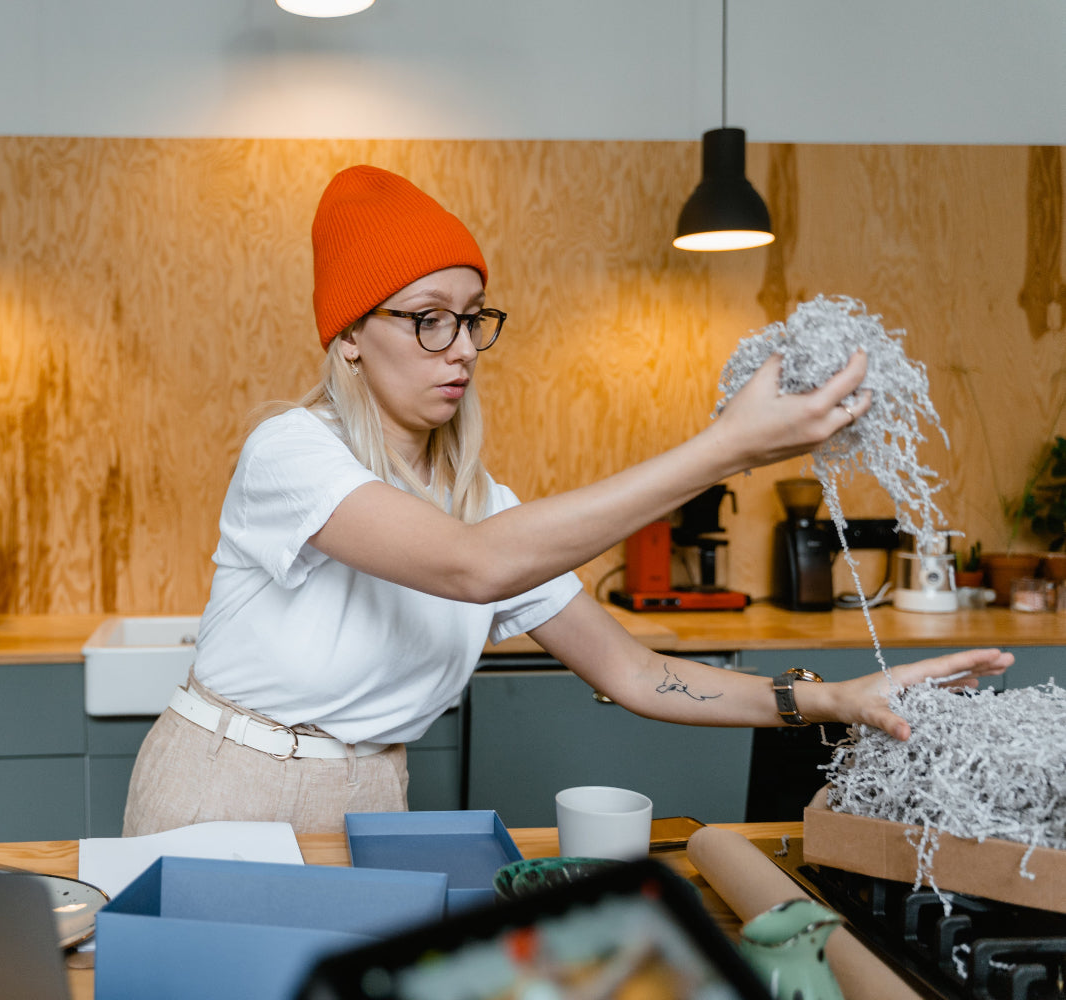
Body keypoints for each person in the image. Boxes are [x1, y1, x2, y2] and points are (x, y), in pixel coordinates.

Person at [121, 164, 1013, 836]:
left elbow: (633, 674)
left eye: (474, 316)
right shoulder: (292, 452)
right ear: (352, 335)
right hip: (225, 784)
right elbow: (471, 569)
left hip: (373, 794)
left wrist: (837, 699)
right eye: (427, 316)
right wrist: (723, 450)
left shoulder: (484, 504)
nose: (461, 346)